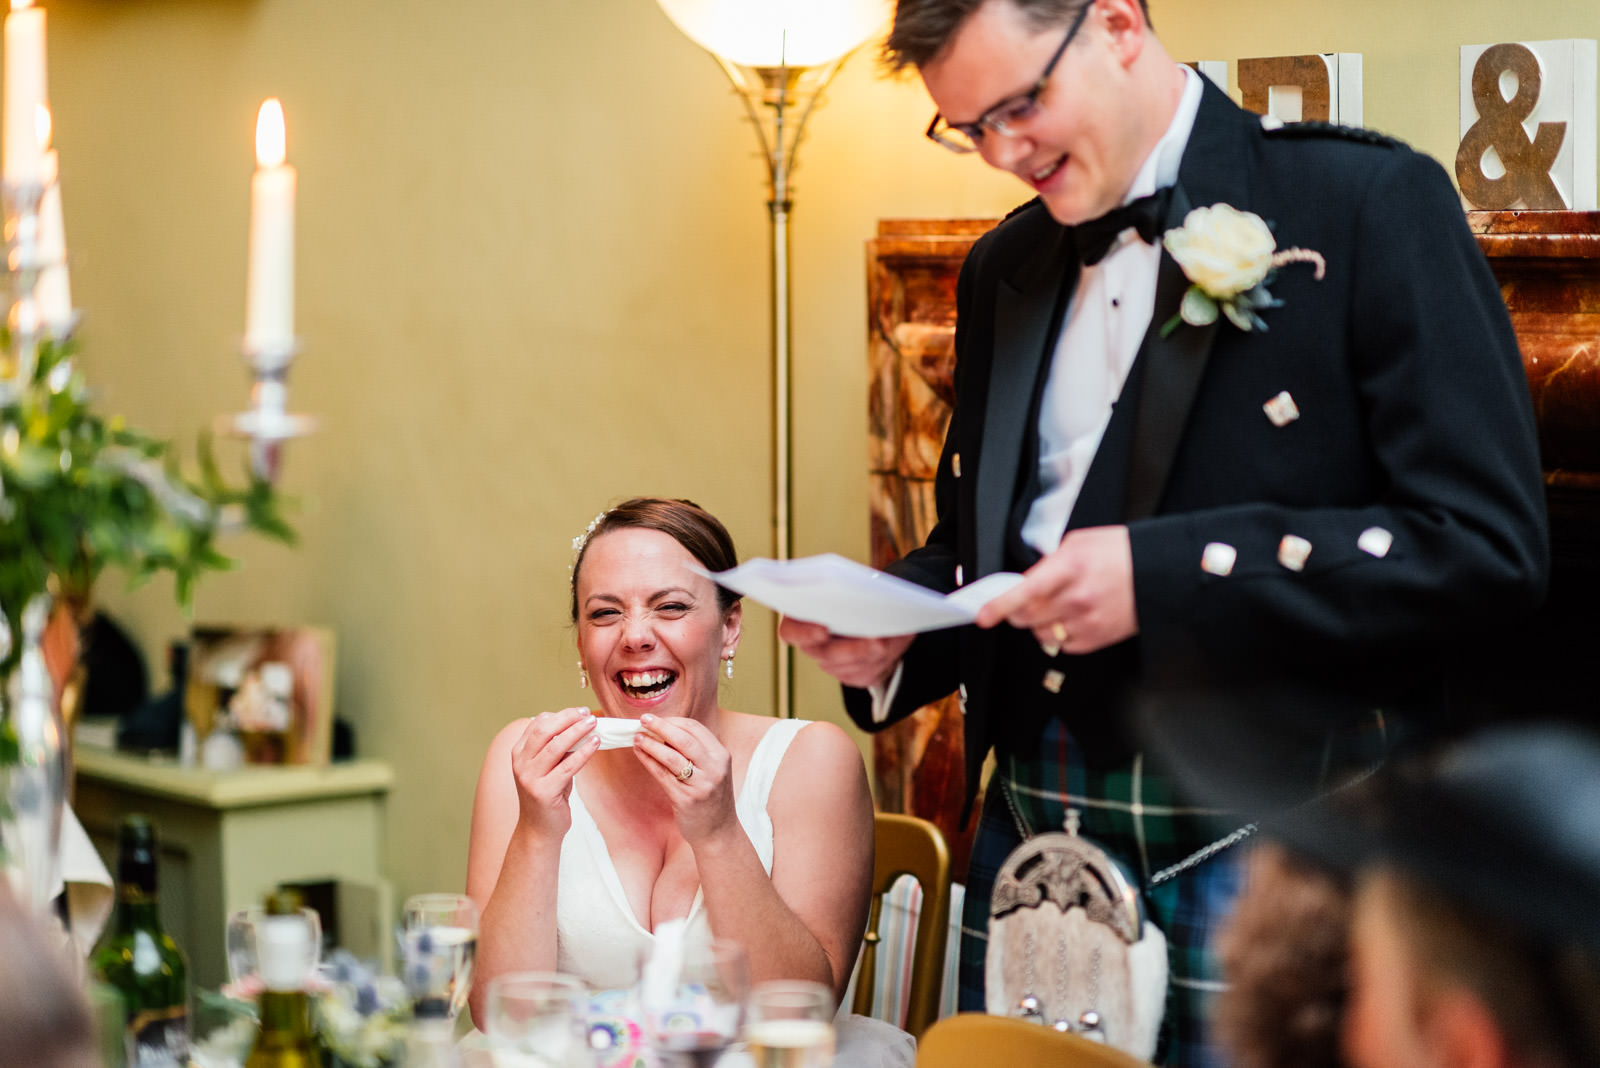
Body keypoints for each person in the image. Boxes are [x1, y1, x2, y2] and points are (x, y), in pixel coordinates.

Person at [780, 0, 1548, 1062]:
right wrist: (900, 633)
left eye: (1019, 105)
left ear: (1116, 24)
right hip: (1031, 841)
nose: (1004, 153)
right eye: (968, 128)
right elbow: (980, 549)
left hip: (1267, 842)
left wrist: (1165, 573)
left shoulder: (1365, 203)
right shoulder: (1003, 266)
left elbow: (1485, 548)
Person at [466, 498, 903, 1060]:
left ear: (729, 628)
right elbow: (504, 1017)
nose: (635, 636)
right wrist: (537, 830)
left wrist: (719, 832)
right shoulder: (524, 757)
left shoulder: (813, 759)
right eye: (604, 614)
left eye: (669, 607)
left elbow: (798, 1012)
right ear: (581, 643)